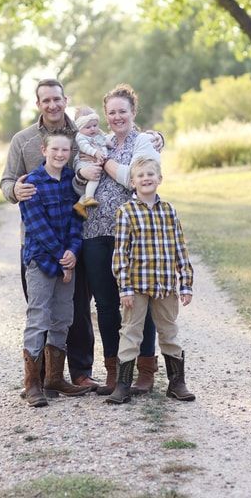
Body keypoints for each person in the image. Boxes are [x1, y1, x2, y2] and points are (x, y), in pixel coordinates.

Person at [0, 79, 99, 391]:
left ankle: (80, 372)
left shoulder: (82, 134)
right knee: (39, 307)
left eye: (57, 99)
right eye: (46, 100)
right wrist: (13, 189)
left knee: (76, 309)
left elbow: (113, 146)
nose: (53, 105)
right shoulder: (23, 140)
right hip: (37, 240)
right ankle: (39, 379)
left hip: (76, 234)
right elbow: (6, 182)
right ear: (38, 104)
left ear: (65, 100)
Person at [78, 83, 163, 396]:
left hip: (133, 234)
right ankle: (115, 370)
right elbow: (81, 172)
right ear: (105, 115)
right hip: (95, 232)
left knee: (141, 299)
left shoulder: (144, 142)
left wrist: (106, 164)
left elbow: (132, 177)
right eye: (111, 112)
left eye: (122, 111)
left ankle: (145, 369)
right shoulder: (100, 142)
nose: (116, 117)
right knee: (106, 305)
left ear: (133, 112)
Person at [106, 157, 195, 405]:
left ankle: (177, 383)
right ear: (132, 183)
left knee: (169, 331)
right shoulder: (126, 212)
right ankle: (122, 385)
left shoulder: (169, 210)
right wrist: (124, 288)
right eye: (140, 176)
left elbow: (180, 248)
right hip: (136, 285)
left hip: (166, 284)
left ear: (159, 179)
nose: (146, 178)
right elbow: (120, 253)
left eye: (150, 174)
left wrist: (185, 283)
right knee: (131, 331)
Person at [20, 132, 91, 407]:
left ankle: (54, 378)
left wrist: (74, 250)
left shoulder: (71, 182)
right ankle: (33, 384)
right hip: (41, 260)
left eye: (65, 150)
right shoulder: (32, 184)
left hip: (66, 260)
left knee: (63, 317)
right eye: (55, 149)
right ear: (44, 150)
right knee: (39, 317)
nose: (60, 154)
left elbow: (78, 217)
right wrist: (62, 255)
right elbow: (37, 227)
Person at [72, 106, 112, 219]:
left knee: (95, 186)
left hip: (92, 162)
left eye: (95, 125)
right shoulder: (81, 137)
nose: (92, 129)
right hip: (83, 163)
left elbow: (104, 140)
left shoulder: (97, 134)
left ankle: (80, 205)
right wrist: (96, 153)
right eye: (88, 127)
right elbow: (85, 148)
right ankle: (89, 198)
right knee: (95, 177)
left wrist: (108, 142)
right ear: (80, 128)